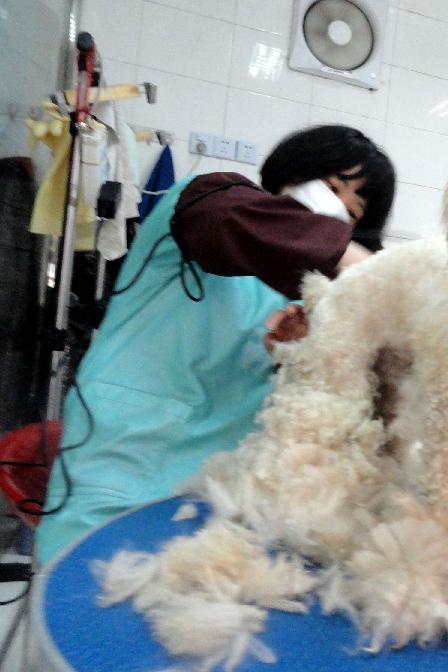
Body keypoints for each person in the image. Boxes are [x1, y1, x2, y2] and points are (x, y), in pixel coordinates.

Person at [35, 125, 395, 564]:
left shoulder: (310, 297)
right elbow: (234, 219)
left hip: (223, 494)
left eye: (351, 211)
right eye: (330, 186)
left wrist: (299, 348)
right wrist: (382, 277)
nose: (332, 208)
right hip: (125, 463)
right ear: (293, 171)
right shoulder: (202, 204)